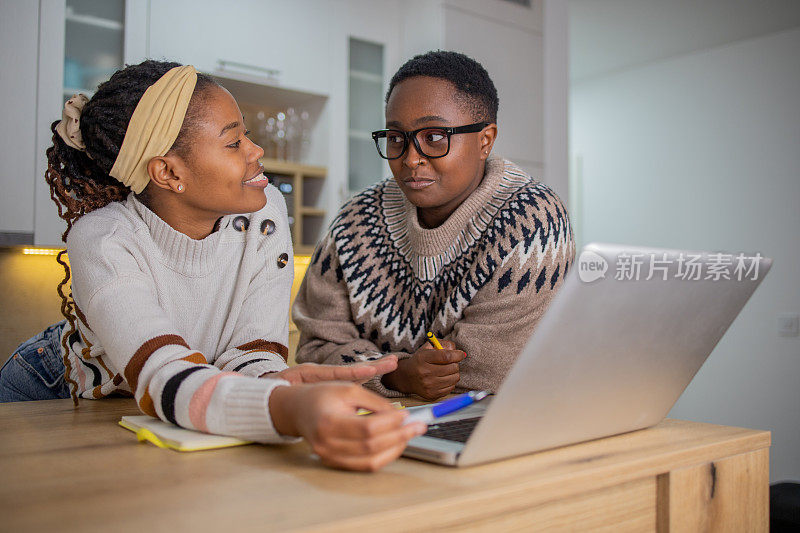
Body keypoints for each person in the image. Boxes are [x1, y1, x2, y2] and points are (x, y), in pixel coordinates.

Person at [0, 60, 427, 472]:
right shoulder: (103, 238)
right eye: (233, 142)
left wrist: (280, 384)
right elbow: (165, 375)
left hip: (164, 404)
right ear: (167, 172)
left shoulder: (265, 213)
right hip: (56, 394)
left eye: (249, 134)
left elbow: (250, 355)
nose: (256, 150)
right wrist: (289, 408)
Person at [293, 51, 576, 400]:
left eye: (435, 137)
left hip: (500, 430)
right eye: (396, 138)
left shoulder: (533, 221)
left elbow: (490, 376)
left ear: (485, 140)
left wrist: (376, 371)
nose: (411, 158)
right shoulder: (354, 221)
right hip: (378, 425)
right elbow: (314, 353)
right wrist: (398, 375)